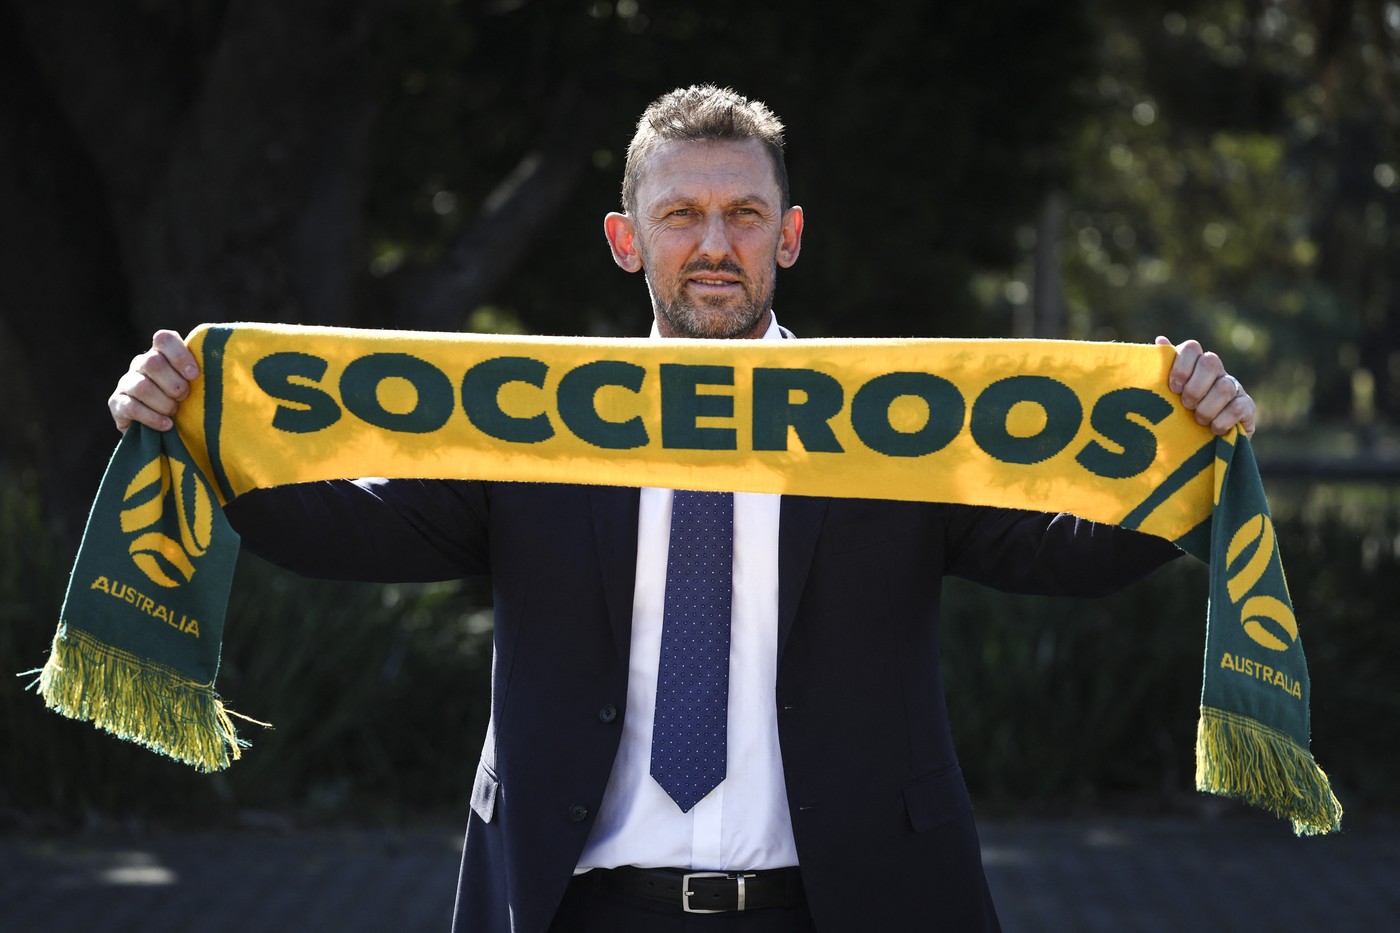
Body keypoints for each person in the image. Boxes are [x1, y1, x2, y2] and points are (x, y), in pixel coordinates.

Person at [109, 86, 1257, 933]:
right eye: (681, 215)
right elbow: (340, 529)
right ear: (626, 240)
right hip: (578, 907)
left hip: (849, 906)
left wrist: (1190, 452)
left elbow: (1066, 554)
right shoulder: (535, 420)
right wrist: (194, 433)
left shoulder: (892, 421)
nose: (715, 245)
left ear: (788, 237)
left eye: (745, 215)